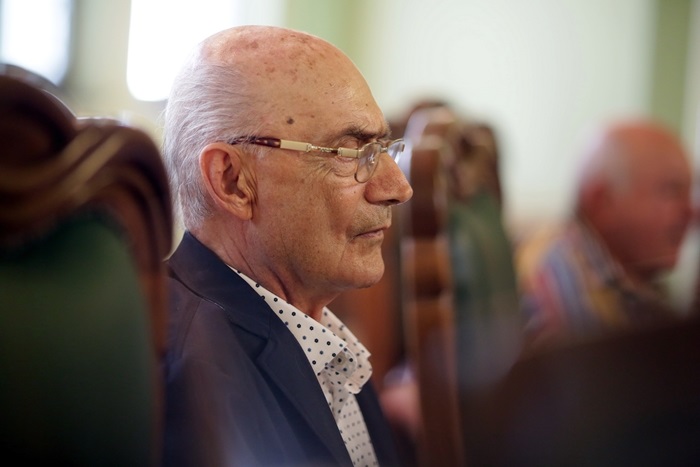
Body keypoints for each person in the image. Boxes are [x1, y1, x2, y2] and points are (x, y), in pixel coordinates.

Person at [160, 25, 413, 467]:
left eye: (381, 149)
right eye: (350, 153)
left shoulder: (322, 335)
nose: (397, 188)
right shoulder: (188, 379)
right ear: (232, 182)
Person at [517, 119, 693, 350]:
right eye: (671, 191)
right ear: (601, 202)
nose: (692, 211)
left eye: (691, 192)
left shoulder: (623, 284)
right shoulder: (562, 299)